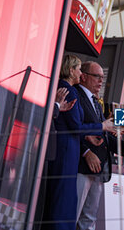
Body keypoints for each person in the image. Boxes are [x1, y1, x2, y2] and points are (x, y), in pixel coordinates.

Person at [43, 55, 115, 230]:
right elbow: (75, 126)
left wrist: (90, 135)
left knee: (69, 205)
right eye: (79, 69)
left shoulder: (85, 97)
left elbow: (73, 125)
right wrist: (102, 126)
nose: (80, 73)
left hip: (71, 149)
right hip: (68, 151)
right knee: (64, 203)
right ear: (71, 70)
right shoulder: (69, 89)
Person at [74, 61, 124, 229]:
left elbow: (104, 133)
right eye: (97, 76)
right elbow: (72, 128)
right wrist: (86, 152)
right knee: (73, 214)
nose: (101, 81)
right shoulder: (75, 95)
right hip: (82, 166)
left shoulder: (96, 102)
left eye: (102, 77)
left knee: (89, 218)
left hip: (100, 168)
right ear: (83, 76)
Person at [34, 87, 76, 230]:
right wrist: (57, 106)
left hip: (50, 153)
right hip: (42, 152)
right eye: (78, 69)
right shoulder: (65, 90)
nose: (80, 73)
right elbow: (45, 114)